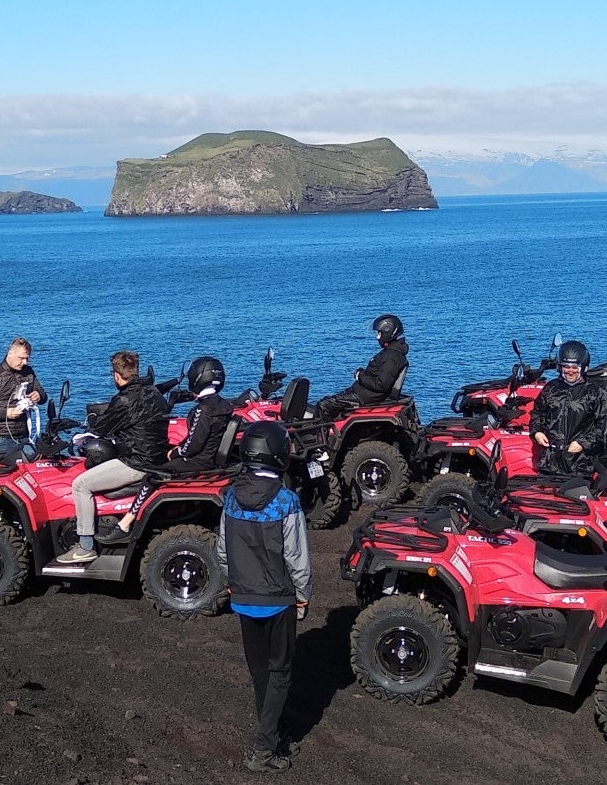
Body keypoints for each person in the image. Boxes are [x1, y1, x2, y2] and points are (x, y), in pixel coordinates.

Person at [215, 421, 312, 774]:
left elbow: (222, 550)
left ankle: (271, 731)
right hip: (279, 598)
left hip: (243, 595)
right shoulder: (286, 501)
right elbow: (296, 557)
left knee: (259, 671)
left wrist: (231, 583)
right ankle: (264, 746)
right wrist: (303, 596)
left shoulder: (230, 497)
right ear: (279, 455)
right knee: (280, 671)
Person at [57, 350, 168, 564]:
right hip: (157, 457)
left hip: (138, 462)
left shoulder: (124, 400)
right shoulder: (153, 392)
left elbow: (101, 427)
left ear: (116, 375)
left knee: (80, 484)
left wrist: (81, 429)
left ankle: (85, 546)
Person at [112, 356, 235, 537]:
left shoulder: (204, 409)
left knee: (151, 476)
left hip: (198, 461)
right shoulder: (225, 405)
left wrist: (176, 452)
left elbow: (194, 445)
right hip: (209, 460)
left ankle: (125, 523)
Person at [529, 340, 607, 477]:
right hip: (549, 462)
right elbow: (537, 413)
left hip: (580, 463)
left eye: (575, 367)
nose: (570, 371)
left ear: (583, 367)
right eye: (566, 367)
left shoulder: (596, 393)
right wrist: (537, 432)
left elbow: (606, 426)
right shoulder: (550, 388)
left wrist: (583, 443)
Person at [313, 314, 408, 419]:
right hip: (364, 392)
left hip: (366, 396)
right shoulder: (391, 354)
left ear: (388, 333)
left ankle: (317, 434)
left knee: (323, 405)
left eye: (379, 333)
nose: (377, 337)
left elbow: (381, 385)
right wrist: (363, 373)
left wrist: (360, 376)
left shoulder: (391, 357)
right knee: (331, 401)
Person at [0, 337, 44, 453]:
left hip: (25, 434)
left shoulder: (28, 372)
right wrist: (6, 414)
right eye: (21, 358)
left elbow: (42, 394)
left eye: (27, 358)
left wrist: (38, 395)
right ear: (10, 353)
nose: (25, 362)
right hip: (0, 437)